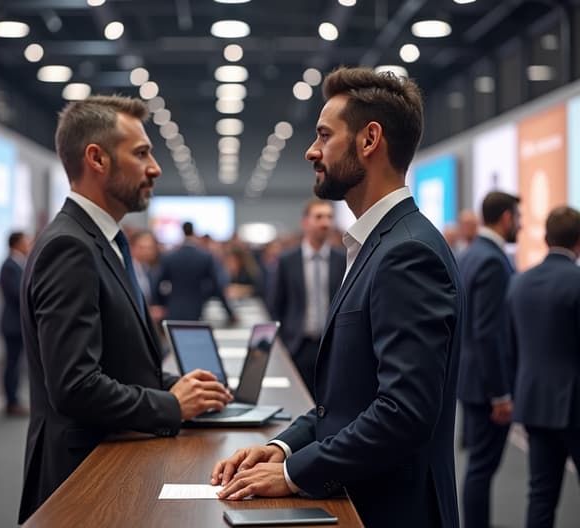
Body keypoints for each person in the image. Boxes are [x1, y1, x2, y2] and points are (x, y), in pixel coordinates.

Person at [211, 67, 462, 528]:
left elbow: (403, 414)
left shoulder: (406, 252)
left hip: (392, 511)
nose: (311, 150)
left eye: (324, 135)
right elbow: (349, 400)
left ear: (369, 140)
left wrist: (291, 473)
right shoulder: (380, 244)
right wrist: (281, 447)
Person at [17, 95, 232, 523]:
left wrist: (180, 385)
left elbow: (115, 362)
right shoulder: (70, 246)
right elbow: (74, 385)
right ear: (96, 158)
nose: (154, 167)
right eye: (141, 153)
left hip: (112, 463)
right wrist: (172, 405)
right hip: (81, 478)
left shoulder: (103, 242)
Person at [506, 206, 580, 528]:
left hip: (534, 404)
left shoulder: (519, 283)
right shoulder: (576, 282)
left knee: (540, 497)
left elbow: (511, 347)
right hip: (576, 406)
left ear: (547, 237)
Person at [457, 191, 520, 528]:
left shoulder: (469, 255)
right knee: (481, 469)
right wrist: (501, 393)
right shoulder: (494, 260)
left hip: (471, 379)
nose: (521, 226)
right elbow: (488, 333)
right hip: (486, 385)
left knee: (477, 468)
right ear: (507, 218)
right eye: (518, 218)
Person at [267, 199, 345, 397]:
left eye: (329, 217)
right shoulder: (287, 260)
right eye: (319, 217)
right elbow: (277, 304)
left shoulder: (343, 259)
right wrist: (283, 340)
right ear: (305, 223)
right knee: (299, 400)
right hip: (299, 345)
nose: (325, 223)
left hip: (333, 345)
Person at [154, 221, 236, 322]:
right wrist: (229, 312)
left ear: (182, 231)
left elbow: (158, 284)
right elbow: (217, 286)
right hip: (197, 308)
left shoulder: (169, 257)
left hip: (173, 308)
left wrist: (161, 304)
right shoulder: (205, 257)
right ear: (193, 232)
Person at [0, 231, 32, 416]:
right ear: (17, 244)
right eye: (26, 241)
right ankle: (11, 402)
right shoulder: (9, 266)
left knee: (17, 364)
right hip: (12, 325)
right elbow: (17, 293)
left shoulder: (19, 264)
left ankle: (14, 400)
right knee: (11, 365)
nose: (28, 244)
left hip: (17, 324)